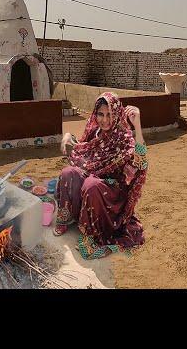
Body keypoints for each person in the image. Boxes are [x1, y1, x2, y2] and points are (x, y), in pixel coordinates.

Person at [54, 92, 148, 260]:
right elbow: (81, 146)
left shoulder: (124, 137)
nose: (104, 120)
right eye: (100, 114)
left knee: (91, 184)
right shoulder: (94, 132)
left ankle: (92, 234)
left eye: (110, 115)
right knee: (68, 172)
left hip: (111, 190)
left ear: (117, 114)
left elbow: (140, 162)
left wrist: (138, 126)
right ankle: (66, 217)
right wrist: (69, 136)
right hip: (92, 177)